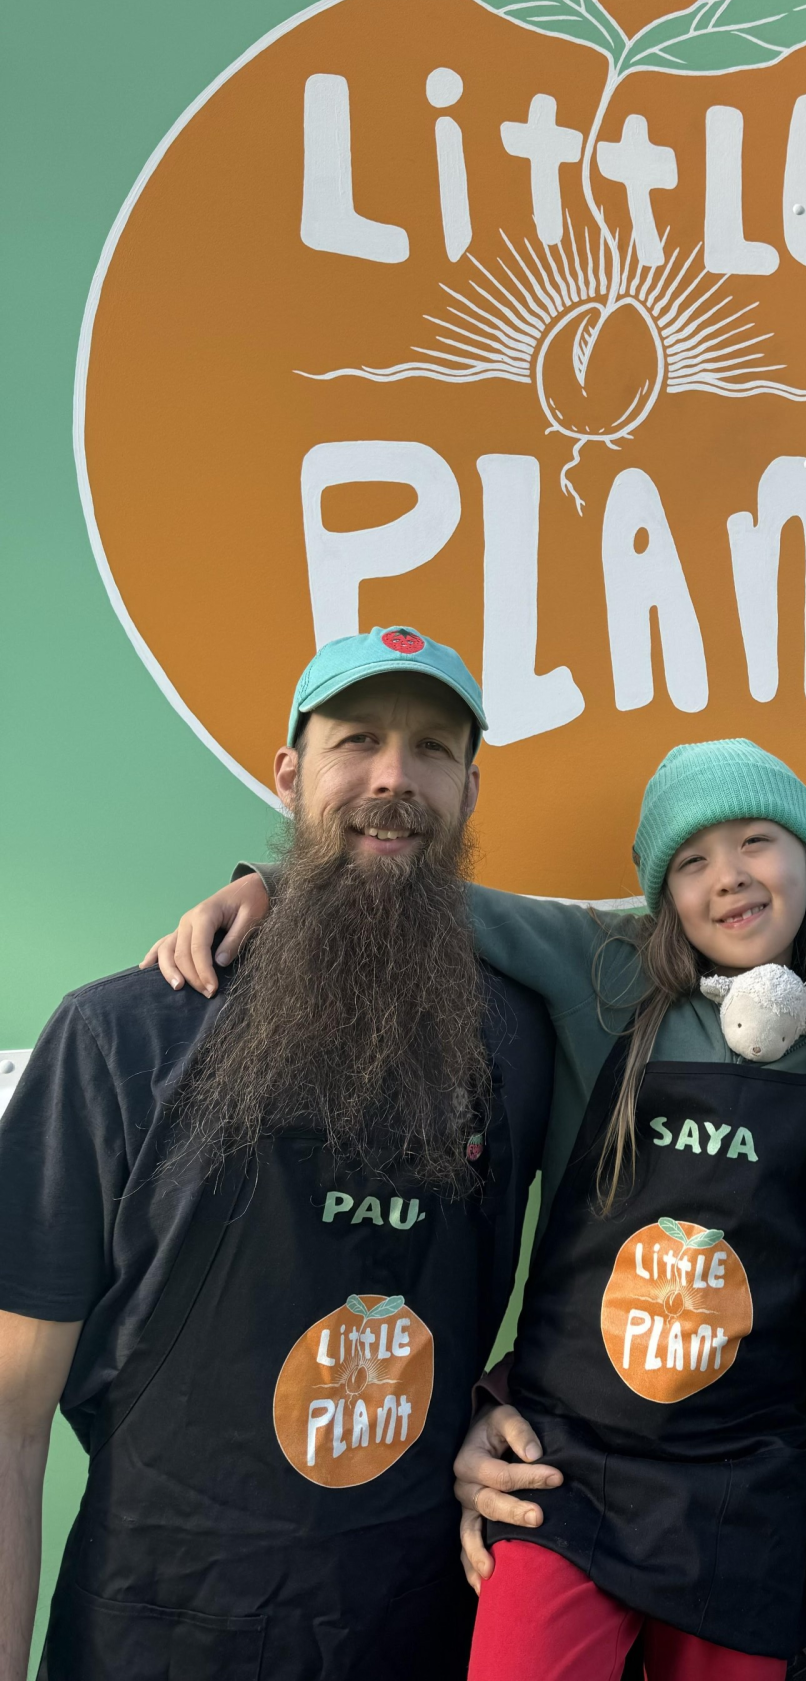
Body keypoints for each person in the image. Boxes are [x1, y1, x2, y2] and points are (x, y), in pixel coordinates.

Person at [148, 747, 806, 1677]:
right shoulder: (602, 973)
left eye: (757, 841)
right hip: (569, 1468)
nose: (728, 879)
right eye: (691, 861)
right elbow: (418, 900)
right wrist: (271, 886)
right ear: (661, 892)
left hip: (751, 1484)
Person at [0, 626, 554, 1681]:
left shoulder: (520, 1042)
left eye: (433, 749)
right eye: (358, 741)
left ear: (470, 791)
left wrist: (498, 1402)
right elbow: (8, 1419)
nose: (395, 776)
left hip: (410, 1628)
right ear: (291, 774)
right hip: (153, 1631)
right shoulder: (120, 1035)